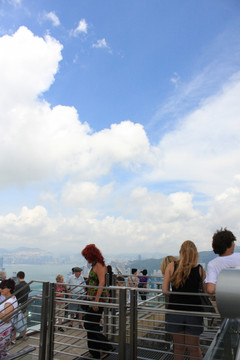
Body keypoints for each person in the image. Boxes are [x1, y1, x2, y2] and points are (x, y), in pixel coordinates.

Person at [163, 241, 204, 360]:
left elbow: (165, 290)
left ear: (181, 252)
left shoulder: (171, 266)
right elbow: (205, 290)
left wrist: (176, 296)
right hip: (194, 311)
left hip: (175, 310)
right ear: (195, 253)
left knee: (179, 348)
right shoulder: (200, 269)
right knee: (194, 348)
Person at [82, 244, 113, 359]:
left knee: (90, 325)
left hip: (97, 299)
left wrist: (96, 301)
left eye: (86, 256)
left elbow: (101, 283)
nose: (86, 259)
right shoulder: (95, 264)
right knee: (90, 325)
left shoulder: (99, 265)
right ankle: (94, 351)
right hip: (92, 299)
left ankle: (106, 347)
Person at [205, 228, 240, 294]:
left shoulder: (212, 264)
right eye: (233, 242)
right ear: (229, 244)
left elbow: (210, 289)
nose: (234, 244)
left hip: (224, 301)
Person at [0, 278, 18, 358]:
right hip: (5, 331)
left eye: (3, 288)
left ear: (9, 288)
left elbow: (7, 319)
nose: (1, 289)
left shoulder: (9, 302)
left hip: (3, 331)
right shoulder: (12, 298)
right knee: (3, 353)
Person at [14, 271, 30, 340]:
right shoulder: (27, 285)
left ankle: (13, 339)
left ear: (18, 277)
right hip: (24, 305)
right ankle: (24, 335)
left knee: (15, 322)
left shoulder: (17, 286)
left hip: (17, 306)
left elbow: (14, 296)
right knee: (24, 321)